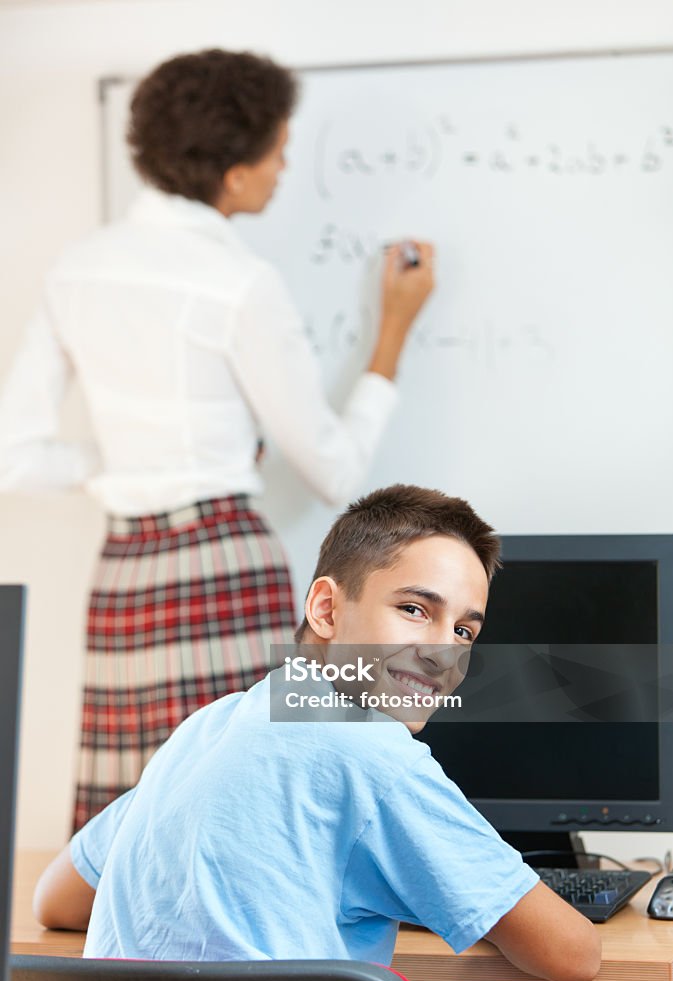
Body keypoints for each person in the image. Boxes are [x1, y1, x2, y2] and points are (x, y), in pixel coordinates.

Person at [0, 50, 435, 833]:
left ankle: (119, 962)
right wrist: (394, 328)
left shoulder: (77, 269)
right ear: (234, 174)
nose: (284, 165)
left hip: (124, 574)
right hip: (224, 561)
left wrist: (122, 464)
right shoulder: (238, 282)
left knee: (126, 826)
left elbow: (16, 454)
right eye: (277, 150)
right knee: (251, 807)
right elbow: (333, 468)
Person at [33, 484, 601, 981]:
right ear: (326, 609)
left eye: (464, 630)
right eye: (412, 608)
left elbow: (55, 898)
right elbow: (573, 954)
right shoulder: (377, 754)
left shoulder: (209, 726)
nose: (441, 650)